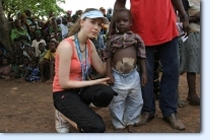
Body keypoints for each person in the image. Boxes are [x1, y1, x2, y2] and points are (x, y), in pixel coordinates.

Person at [112, 0, 189, 131]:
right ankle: (147, 110)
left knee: (172, 70)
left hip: (167, 25)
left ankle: (169, 111)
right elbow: (120, 3)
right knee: (144, 72)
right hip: (141, 30)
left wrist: (183, 16)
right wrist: (114, 25)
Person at [52, 8, 116, 133]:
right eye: (92, 22)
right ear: (82, 22)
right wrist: (94, 82)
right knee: (96, 128)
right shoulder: (66, 46)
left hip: (80, 91)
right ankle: (62, 114)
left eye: (99, 24)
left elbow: (102, 70)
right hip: (63, 93)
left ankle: (79, 111)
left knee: (107, 93)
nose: (96, 28)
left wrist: (111, 53)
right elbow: (64, 83)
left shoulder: (89, 44)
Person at [104, 8, 146, 133]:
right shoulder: (112, 39)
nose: (121, 23)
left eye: (125, 20)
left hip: (133, 75)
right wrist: (108, 73)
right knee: (116, 101)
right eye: (118, 21)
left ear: (131, 23)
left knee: (136, 100)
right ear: (115, 24)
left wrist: (144, 73)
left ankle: (130, 121)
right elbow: (108, 56)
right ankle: (119, 124)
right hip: (117, 75)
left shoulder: (136, 38)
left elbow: (142, 56)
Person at [179, 0, 200, 105]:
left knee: (196, 64)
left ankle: (191, 94)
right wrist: (197, 17)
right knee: (191, 65)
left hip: (200, 34)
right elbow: (181, 19)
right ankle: (193, 95)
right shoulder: (185, 1)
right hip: (191, 33)